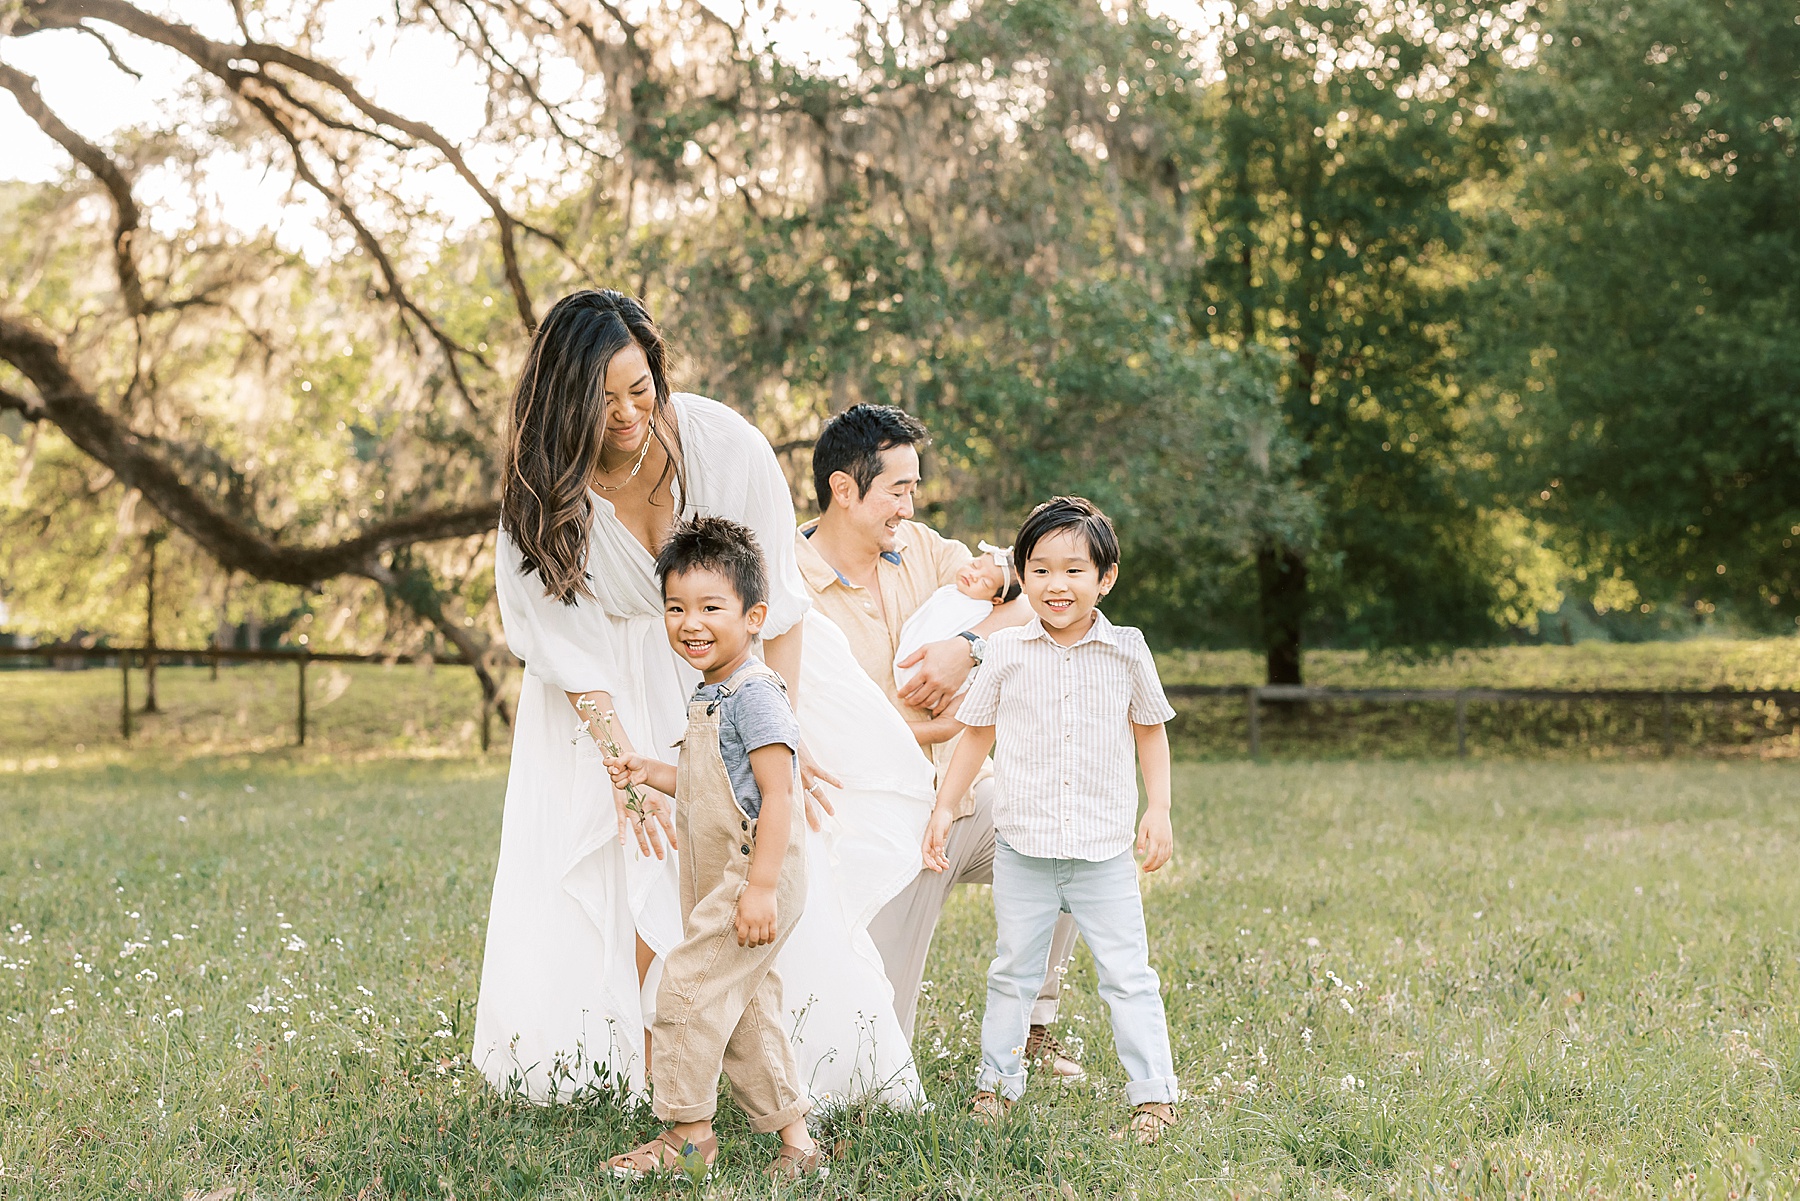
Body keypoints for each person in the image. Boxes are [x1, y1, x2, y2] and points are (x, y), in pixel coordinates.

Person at [474, 290, 922, 1109]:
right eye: (600, 400)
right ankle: (658, 1079)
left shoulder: (726, 445)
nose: (626, 414)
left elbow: (778, 603)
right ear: (560, 401)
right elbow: (565, 647)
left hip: (742, 661)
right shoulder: (541, 490)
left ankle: (777, 1075)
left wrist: (763, 733)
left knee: (760, 849)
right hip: (602, 689)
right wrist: (621, 761)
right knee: (638, 862)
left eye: (640, 389)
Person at [795, 405, 1085, 1081]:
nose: (910, 503)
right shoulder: (788, 584)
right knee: (870, 1051)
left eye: (913, 489)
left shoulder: (923, 550)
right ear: (845, 490)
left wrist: (967, 647)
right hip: (865, 816)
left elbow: (1035, 595)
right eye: (898, 488)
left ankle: (1031, 1028)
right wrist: (934, 727)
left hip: (960, 795)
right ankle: (868, 1059)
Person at [923, 496, 1180, 1145]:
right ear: (1022, 573)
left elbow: (1150, 732)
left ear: (1105, 576)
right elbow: (975, 735)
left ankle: (1154, 1099)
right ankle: (997, 1086)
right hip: (1024, 849)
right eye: (1040, 570)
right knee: (1013, 970)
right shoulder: (1005, 650)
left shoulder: (1127, 650)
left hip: (1103, 853)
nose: (1056, 584)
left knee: (1128, 974)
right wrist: (944, 804)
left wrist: (1161, 809)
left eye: (1073, 570)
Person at [601, 518, 825, 1181]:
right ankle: (799, 1141)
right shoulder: (711, 693)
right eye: (676, 607)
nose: (689, 622)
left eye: (709, 607)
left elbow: (780, 796)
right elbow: (714, 785)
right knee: (747, 1010)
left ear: (754, 616)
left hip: (751, 871)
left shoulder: (755, 694)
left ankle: (687, 1133)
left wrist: (757, 888)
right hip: (723, 875)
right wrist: (651, 770)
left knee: (686, 988)